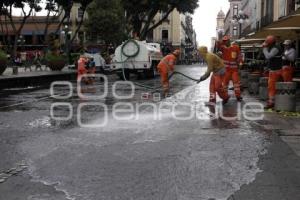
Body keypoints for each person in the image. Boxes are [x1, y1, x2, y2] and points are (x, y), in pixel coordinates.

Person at [217, 36, 243, 101]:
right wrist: (221, 40)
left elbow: (239, 56)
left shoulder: (235, 47)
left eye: (226, 41)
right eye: (224, 41)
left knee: (236, 84)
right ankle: (225, 97)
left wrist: (240, 64)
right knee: (225, 84)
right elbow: (218, 44)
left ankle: (238, 96)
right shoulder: (223, 48)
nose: (225, 42)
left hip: (234, 70)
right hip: (226, 70)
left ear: (229, 40)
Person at [262, 35, 284, 109]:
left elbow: (268, 56)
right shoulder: (273, 47)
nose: (266, 44)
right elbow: (271, 60)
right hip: (273, 70)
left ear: (271, 43)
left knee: (272, 87)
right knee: (271, 86)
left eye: (267, 43)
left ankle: (271, 102)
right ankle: (272, 101)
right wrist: (268, 68)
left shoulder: (275, 48)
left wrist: (264, 49)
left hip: (276, 71)